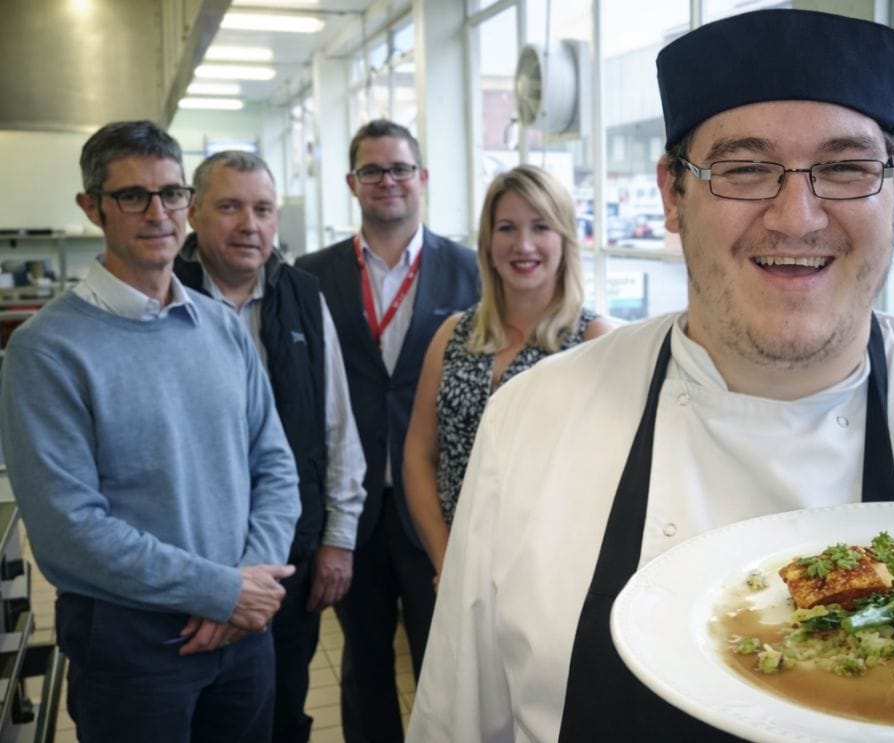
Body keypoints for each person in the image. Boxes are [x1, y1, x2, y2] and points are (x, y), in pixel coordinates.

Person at [408, 9, 894, 741]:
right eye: (745, 168)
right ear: (674, 193)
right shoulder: (532, 423)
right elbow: (459, 719)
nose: (798, 216)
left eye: (844, 167)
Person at [0, 121, 300, 742]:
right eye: (132, 196)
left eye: (172, 193)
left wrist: (251, 583)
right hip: (132, 646)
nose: (158, 212)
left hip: (244, 635)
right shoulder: (47, 350)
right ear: (92, 208)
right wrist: (221, 591)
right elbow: (68, 531)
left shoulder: (220, 328)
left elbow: (274, 465)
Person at [295, 118, 479, 742]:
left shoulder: (471, 270)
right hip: (353, 513)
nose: (387, 181)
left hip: (439, 510)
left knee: (445, 664)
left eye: (400, 168)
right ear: (352, 183)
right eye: (372, 170)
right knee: (365, 662)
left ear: (423, 177)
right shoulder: (310, 274)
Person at [173, 150, 367, 743]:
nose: (248, 225)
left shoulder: (303, 297)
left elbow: (337, 425)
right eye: (229, 207)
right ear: (193, 213)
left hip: (289, 558)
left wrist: (338, 537)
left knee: (283, 711)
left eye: (261, 209)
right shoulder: (164, 296)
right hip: (191, 561)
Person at [402, 165, 616, 581]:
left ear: (564, 239)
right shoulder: (453, 335)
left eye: (541, 227)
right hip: (454, 570)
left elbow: (607, 480)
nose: (523, 245)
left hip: (550, 577)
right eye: (506, 228)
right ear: (487, 242)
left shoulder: (594, 340)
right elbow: (419, 455)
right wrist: (446, 560)